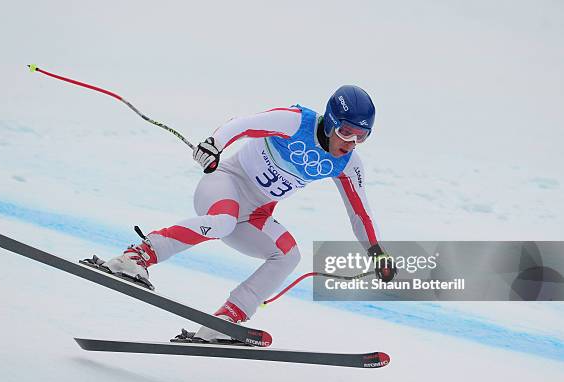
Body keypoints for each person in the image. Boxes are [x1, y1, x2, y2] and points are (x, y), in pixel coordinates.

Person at [102, 85, 396, 342]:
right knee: (223, 222)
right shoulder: (295, 121)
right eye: (346, 132)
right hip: (224, 186)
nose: (351, 143)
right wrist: (214, 145)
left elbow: (361, 214)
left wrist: (377, 251)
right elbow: (241, 125)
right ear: (331, 122)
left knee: (289, 255)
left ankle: (226, 320)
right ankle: (135, 257)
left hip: (254, 216)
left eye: (362, 137)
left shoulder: (347, 165)